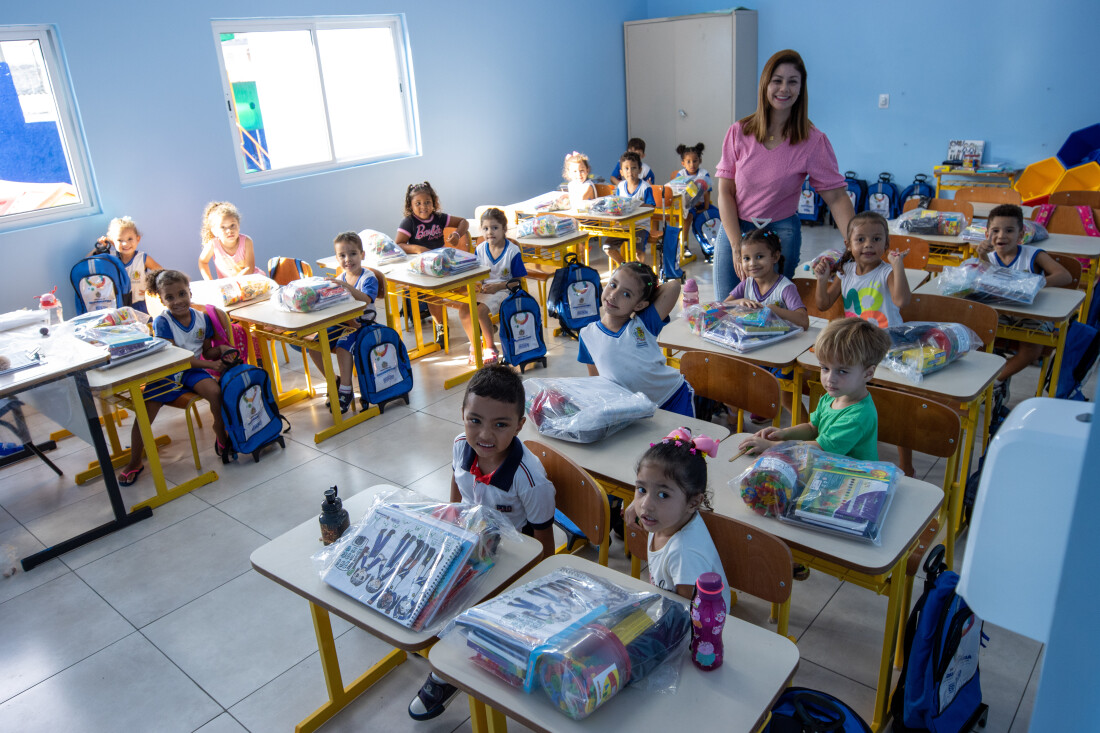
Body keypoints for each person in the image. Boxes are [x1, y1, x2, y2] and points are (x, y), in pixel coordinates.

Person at [408, 365, 555, 721]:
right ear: (462, 415)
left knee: (470, 608)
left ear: (520, 425)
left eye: (500, 424)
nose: (485, 434)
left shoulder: (529, 479)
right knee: (418, 571)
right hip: (471, 541)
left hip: (514, 555)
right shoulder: (461, 446)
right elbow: (457, 486)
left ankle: (446, 671)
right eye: (474, 420)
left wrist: (521, 595)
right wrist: (451, 521)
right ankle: (433, 634)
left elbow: (545, 550)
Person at [713, 49, 855, 298]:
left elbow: (836, 198)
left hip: (781, 233)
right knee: (726, 306)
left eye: (792, 82)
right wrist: (737, 246)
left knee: (774, 311)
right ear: (765, 84)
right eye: (777, 80)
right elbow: (725, 191)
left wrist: (855, 246)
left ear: (801, 89)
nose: (784, 89)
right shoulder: (739, 132)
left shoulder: (813, 141)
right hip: (735, 227)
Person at [116, 269, 232, 486]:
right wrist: (209, 364)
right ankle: (134, 462)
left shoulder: (202, 318)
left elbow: (207, 351)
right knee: (144, 414)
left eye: (181, 294)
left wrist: (222, 350)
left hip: (193, 371)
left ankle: (220, 431)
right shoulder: (162, 322)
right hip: (165, 373)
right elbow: (177, 357)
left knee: (215, 392)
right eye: (169, 297)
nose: (177, 301)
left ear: (190, 292)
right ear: (161, 299)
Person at [738, 317, 892, 461]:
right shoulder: (833, 396)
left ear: (868, 373)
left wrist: (772, 447)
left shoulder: (858, 416)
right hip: (829, 467)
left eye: (842, 371)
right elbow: (813, 428)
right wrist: (784, 433)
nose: (830, 378)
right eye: (825, 368)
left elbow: (820, 449)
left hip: (855, 479)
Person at [624, 428, 731, 607]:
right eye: (642, 490)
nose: (645, 505)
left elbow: (689, 616)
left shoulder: (684, 555)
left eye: (663, 495)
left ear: (693, 502)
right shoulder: (668, 517)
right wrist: (632, 506)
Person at [975, 203, 1070, 399]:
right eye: (995, 231)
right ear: (986, 234)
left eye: (1009, 230)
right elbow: (983, 281)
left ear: (1021, 235)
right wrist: (981, 257)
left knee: (1032, 348)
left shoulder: (1032, 255)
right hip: (1001, 312)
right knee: (977, 335)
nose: (1002, 236)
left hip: (1033, 312)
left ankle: (997, 381)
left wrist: (1032, 283)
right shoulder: (989, 257)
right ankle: (990, 377)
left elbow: (1065, 276)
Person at [577, 262, 694, 417]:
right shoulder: (587, 335)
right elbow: (597, 381)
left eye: (626, 294)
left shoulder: (644, 323)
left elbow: (673, 286)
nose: (613, 295)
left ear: (640, 305)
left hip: (674, 398)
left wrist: (647, 293)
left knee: (681, 441)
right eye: (613, 285)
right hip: (637, 411)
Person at [394, 181, 469, 345]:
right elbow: (398, 244)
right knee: (432, 295)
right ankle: (441, 326)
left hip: (443, 263)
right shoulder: (409, 222)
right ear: (410, 205)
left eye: (427, 202)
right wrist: (418, 248)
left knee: (464, 285)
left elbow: (464, 221)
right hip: (423, 266)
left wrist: (457, 234)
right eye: (418, 203)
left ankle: (475, 320)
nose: (424, 207)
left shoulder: (439, 218)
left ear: (434, 202)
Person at [815, 211, 910, 328]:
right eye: (860, 239)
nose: (868, 244)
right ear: (848, 245)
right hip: (857, 340)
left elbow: (902, 301)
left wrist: (898, 266)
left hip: (886, 341)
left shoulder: (887, 272)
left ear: (886, 244)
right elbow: (823, 305)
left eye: (876, 239)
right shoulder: (845, 270)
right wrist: (822, 280)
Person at [458, 208, 527, 365]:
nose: (490, 232)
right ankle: (476, 346)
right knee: (463, 310)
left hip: (505, 290)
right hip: (485, 290)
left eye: (495, 228)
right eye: (486, 228)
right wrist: (476, 283)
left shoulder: (512, 251)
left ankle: (490, 349)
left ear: (504, 229)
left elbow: (518, 281)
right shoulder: (480, 249)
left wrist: (498, 287)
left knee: (480, 311)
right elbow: (476, 272)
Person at [325, 232, 379, 413]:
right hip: (344, 324)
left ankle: (345, 390)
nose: (348, 259)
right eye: (342, 255)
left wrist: (345, 287)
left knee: (343, 345)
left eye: (353, 254)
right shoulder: (340, 278)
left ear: (362, 255)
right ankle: (333, 380)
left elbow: (366, 300)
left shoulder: (368, 277)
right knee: (314, 343)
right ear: (336, 258)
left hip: (363, 326)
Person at [725, 228, 809, 331]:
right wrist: (740, 302)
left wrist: (775, 311)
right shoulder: (747, 284)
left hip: (781, 343)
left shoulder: (785, 288)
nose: (752, 263)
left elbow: (804, 322)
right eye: (747, 258)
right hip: (754, 340)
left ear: (775, 257)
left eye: (759, 256)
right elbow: (722, 306)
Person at [105, 216, 162, 314]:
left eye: (130, 239)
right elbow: (88, 262)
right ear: (112, 242)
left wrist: (151, 290)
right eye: (119, 240)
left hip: (139, 303)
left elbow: (162, 273)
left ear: (138, 239)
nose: (125, 244)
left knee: (144, 326)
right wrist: (99, 248)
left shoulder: (143, 258)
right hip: (118, 305)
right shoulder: (110, 258)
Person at [610, 151, 656, 266]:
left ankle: (639, 271)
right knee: (608, 247)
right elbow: (617, 204)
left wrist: (636, 205)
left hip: (640, 226)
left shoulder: (645, 187)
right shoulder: (620, 186)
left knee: (638, 250)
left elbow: (651, 207)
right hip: (623, 225)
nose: (630, 171)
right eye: (626, 168)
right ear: (621, 172)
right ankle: (624, 266)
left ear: (640, 170)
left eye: (633, 168)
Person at [198, 201, 261, 280]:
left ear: (238, 225)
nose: (229, 230)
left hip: (248, 280)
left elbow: (249, 269)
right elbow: (202, 262)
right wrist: (209, 281)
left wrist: (234, 282)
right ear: (214, 231)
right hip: (228, 285)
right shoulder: (213, 245)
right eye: (223, 227)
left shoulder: (246, 241)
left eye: (232, 225)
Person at [674, 142, 712, 264]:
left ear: (700, 161)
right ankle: (684, 245)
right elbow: (680, 193)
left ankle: (709, 251)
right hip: (687, 206)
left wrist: (705, 207)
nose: (692, 164)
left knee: (707, 221)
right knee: (687, 218)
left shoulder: (703, 174)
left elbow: (707, 192)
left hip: (701, 205)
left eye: (695, 161)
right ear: (683, 163)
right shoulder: (681, 174)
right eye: (688, 161)